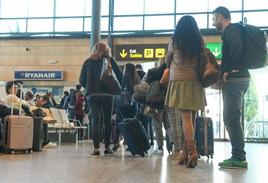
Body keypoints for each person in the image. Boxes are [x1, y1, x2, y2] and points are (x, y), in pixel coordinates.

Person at [165, 15, 206, 168]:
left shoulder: (174, 42)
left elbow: (167, 61)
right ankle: (184, 153)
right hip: (196, 83)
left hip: (180, 82)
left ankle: (193, 152)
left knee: (186, 119)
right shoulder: (200, 41)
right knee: (191, 119)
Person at [212, 6, 250, 169]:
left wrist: (228, 70)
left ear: (221, 17)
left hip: (236, 79)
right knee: (232, 117)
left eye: (214, 19)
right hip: (241, 78)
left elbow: (236, 48)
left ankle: (239, 157)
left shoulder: (231, 30)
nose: (213, 23)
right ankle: (238, 155)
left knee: (231, 118)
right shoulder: (235, 31)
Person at [79, 41, 123, 156]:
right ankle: (107, 147)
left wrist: (90, 85)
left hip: (93, 95)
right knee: (107, 121)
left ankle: (96, 149)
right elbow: (120, 77)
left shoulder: (88, 62)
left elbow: (81, 81)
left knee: (95, 121)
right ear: (107, 50)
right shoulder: (110, 61)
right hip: (108, 95)